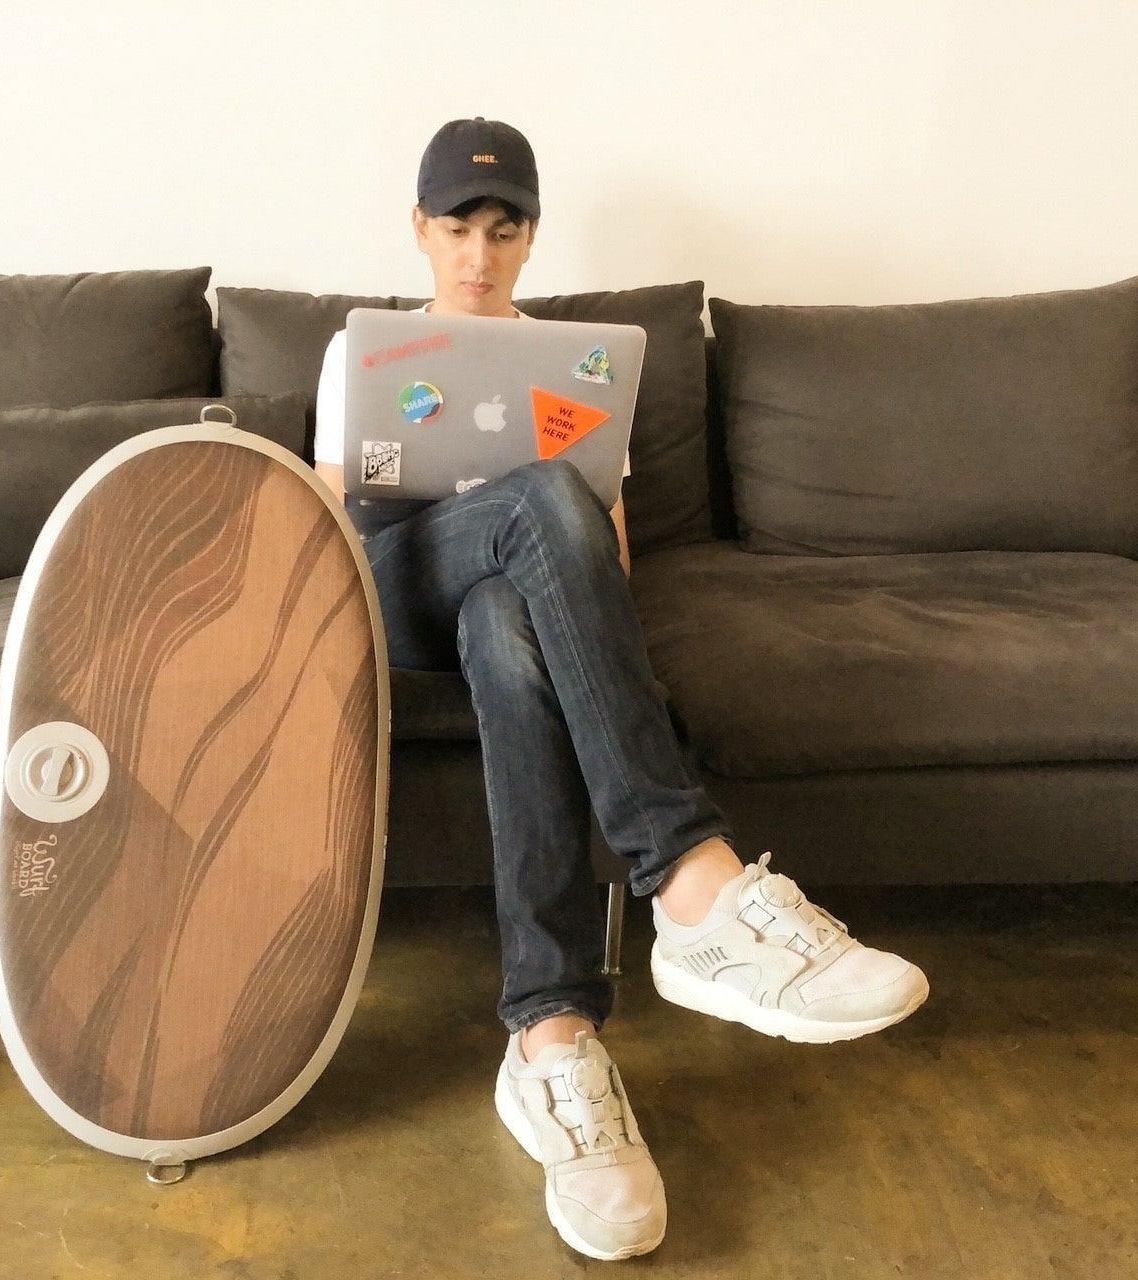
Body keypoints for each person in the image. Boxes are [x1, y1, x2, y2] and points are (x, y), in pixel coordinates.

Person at [314, 117, 929, 1263]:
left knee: (511, 621)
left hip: (500, 599)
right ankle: (692, 883)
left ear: (531, 237)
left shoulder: (570, 368)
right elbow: (325, 524)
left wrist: (569, 594)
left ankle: (549, 1038)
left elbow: (604, 548)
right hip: (396, 584)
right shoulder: (364, 353)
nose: (479, 255)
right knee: (539, 496)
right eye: (457, 227)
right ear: (419, 229)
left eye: (503, 230)